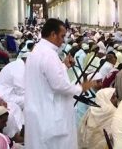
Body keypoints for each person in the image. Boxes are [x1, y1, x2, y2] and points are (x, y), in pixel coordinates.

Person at [24, 18, 93, 149]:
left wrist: (64, 66)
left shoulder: (37, 51)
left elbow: (48, 76)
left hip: (39, 112)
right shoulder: (49, 54)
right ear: (52, 34)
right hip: (50, 115)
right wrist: (80, 88)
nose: (63, 41)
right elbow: (59, 85)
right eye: (61, 36)